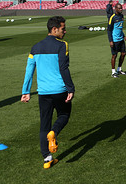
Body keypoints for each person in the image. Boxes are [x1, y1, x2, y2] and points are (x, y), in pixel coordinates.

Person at [21, 16, 74, 169]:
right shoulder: (62, 45)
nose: (65, 31)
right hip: (60, 90)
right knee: (64, 115)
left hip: (43, 92)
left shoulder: (35, 47)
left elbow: (29, 70)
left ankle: (47, 158)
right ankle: (54, 133)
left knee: (44, 124)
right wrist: (71, 88)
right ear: (54, 29)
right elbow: (64, 68)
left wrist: (26, 91)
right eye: (63, 29)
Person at [108, 3, 126, 78]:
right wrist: (110, 41)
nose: (121, 9)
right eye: (119, 8)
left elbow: (120, 28)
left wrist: (124, 35)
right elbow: (109, 30)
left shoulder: (122, 16)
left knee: (123, 54)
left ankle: (119, 69)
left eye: (121, 8)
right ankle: (113, 72)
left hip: (121, 39)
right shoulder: (112, 17)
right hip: (115, 40)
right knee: (114, 55)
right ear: (115, 9)